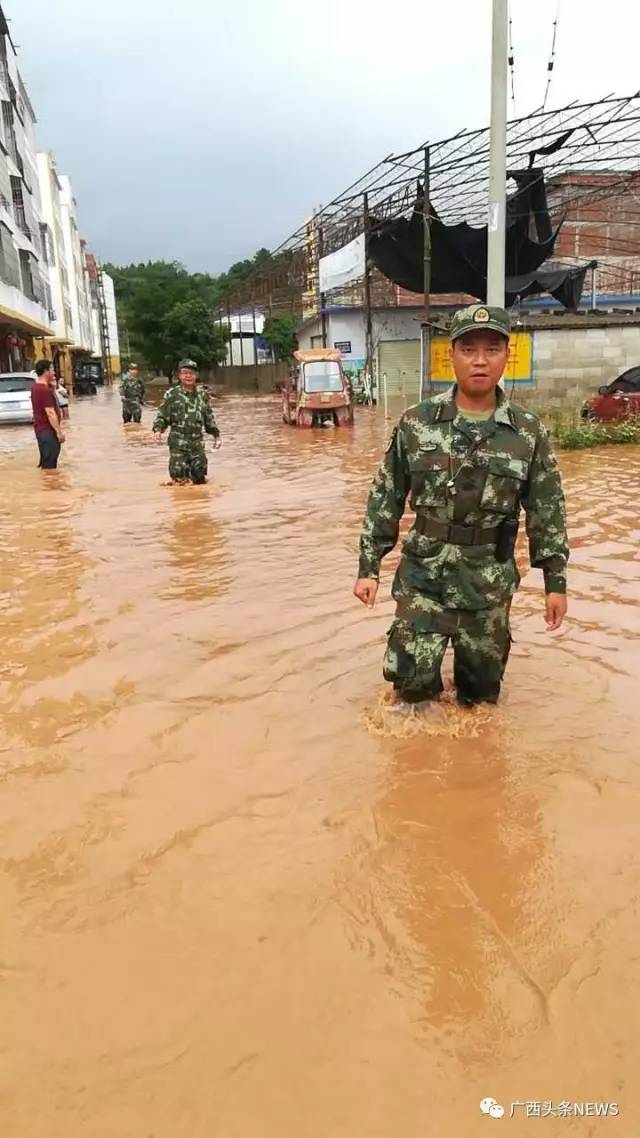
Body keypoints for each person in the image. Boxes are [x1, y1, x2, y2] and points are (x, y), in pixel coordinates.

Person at [353, 304, 569, 711]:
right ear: (450, 355)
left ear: (508, 355)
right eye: (469, 349)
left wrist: (554, 583)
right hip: (423, 580)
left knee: (481, 702)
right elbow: (386, 496)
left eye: (492, 349)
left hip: (487, 585)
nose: (481, 360)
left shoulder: (526, 431)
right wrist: (369, 568)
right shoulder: (417, 423)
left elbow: (547, 509)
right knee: (411, 697)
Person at [152, 358, 221, 483]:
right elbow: (162, 415)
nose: (188, 376)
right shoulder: (171, 395)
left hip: (197, 444)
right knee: (179, 480)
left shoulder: (202, 395)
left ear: (196, 375)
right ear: (179, 375)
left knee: (199, 478)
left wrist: (216, 435)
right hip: (178, 445)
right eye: (185, 373)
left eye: (191, 373)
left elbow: (208, 417)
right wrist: (158, 431)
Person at [31, 359, 65, 469]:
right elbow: (50, 413)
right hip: (48, 431)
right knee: (50, 467)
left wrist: (53, 387)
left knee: (47, 464)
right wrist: (59, 432)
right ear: (46, 371)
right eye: (52, 369)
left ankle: (48, 485)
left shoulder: (36, 387)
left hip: (42, 431)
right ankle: (51, 486)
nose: (54, 372)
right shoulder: (43, 390)